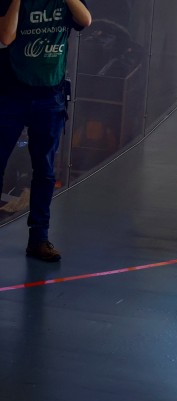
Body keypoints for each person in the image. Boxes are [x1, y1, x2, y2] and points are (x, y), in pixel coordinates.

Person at [0, 0, 92, 262]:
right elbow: (6, 36)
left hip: (50, 97)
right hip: (10, 95)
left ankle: (39, 238)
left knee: (45, 170)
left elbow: (85, 20)